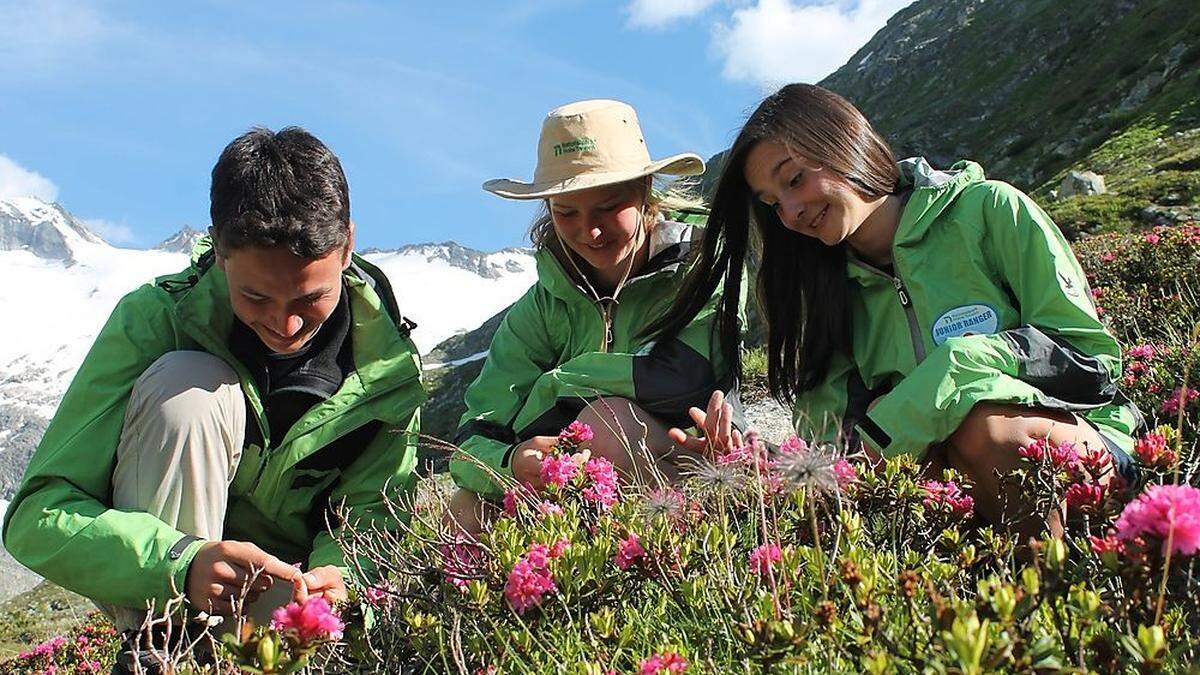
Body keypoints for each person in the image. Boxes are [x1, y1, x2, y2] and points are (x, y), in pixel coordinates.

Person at [2, 127, 425, 667]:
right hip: (170, 584)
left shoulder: (389, 368)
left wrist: (340, 575)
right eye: (255, 296)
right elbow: (38, 516)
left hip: (297, 615)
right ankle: (164, 652)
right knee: (189, 388)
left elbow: (372, 519)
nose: (286, 323)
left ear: (347, 246)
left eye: (310, 296)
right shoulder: (155, 320)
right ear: (220, 252)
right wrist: (182, 563)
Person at [651, 84, 1142, 533]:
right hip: (939, 485)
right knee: (817, 518)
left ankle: (1056, 605)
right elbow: (841, 451)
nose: (792, 212)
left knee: (984, 428)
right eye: (772, 203)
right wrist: (762, 466)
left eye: (795, 179)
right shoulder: (821, 292)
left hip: (1082, 447)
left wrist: (956, 370)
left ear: (844, 142)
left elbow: (1090, 361)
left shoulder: (991, 211)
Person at [447, 99, 744, 531]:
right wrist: (512, 461)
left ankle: (663, 572)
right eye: (566, 212)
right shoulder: (540, 309)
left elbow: (684, 378)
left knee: (609, 423)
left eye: (608, 207)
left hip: (699, 459)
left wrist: (556, 386)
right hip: (580, 482)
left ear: (646, 192)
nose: (591, 231)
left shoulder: (703, 262)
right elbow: (473, 439)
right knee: (465, 509)